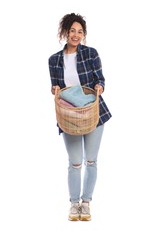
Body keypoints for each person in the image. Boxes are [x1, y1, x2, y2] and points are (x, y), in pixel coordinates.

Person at [48, 13, 112, 221]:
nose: (76, 35)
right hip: (70, 117)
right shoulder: (54, 60)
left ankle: (86, 203)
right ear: (64, 32)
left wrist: (99, 87)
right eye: (72, 31)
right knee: (75, 162)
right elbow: (56, 87)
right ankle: (74, 204)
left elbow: (100, 79)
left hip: (94, 113)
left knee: (91, 161)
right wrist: (55, 89)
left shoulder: (91, 54)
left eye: (80, 31)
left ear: (83, 34)